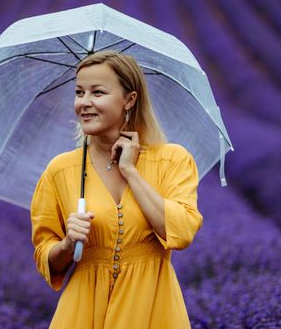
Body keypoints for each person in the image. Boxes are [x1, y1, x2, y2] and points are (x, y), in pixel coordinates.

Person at [30, 50, 203, 328]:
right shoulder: (60, 170)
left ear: (129, 100)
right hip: (81, 312)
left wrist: (130, 172)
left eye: (97, 92)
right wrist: (66, 244)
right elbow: (45, 256)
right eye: (79, 92)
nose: (84, 103)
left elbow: (181, 232)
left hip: (152, 308)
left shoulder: (172, 160)